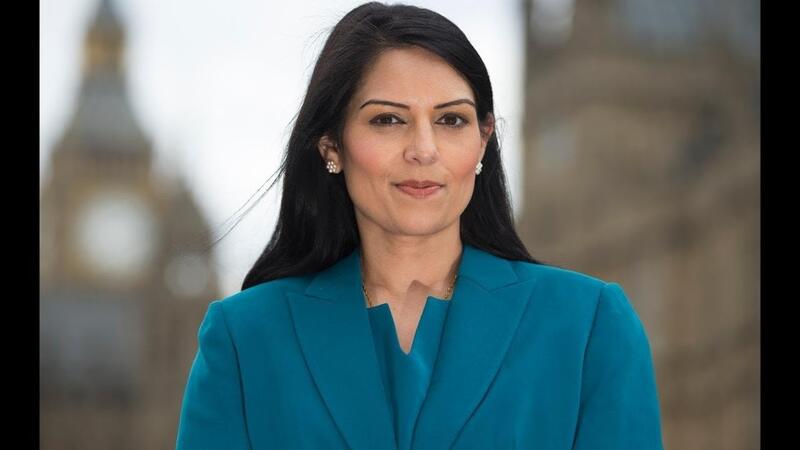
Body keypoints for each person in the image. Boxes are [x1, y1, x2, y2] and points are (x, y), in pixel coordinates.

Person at [175, 2, 665, 449]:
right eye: (388, 120)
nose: (424, 150)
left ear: (483, 140)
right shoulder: (244, 340)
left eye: (451, 121)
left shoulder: (589, 327)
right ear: (331, 146)